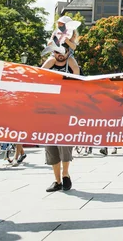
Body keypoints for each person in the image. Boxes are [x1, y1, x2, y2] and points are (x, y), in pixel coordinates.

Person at [41, 47, 79, 192]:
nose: (60, 55)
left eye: (64, 52)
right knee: (50, 144)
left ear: (69, 52)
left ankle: (65, 173)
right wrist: (49, 61)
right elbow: (40, 74)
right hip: (49, 110)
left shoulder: (71, 64)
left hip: (66, 110)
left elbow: (78, 78)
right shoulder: (50, 62)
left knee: (65, 142)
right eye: (57, 52)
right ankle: (57, 181)